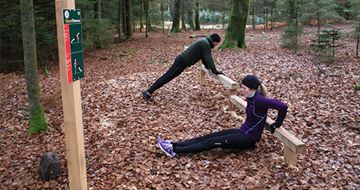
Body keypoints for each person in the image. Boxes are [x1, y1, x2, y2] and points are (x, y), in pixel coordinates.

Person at [157, 75, 288, 157]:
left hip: (248, 138)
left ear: (252, 88)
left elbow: (283, 106)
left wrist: (277, 123)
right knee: (209, 136)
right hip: (242, 131)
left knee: (211, 143)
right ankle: (173, 144)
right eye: (242, 87)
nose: (242, 90)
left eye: (244, 88)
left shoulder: (260, 100)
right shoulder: (251, 97)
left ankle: (175, 151)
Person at [142, 33, 224, 101]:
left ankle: (149, 91)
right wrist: (215, 71)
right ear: (214, 41)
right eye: (217, 43)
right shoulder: (206, 44)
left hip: (182, 61)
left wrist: (208, 68)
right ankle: (148, 92)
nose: (216, 45)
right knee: (167, 77)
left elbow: (204, 58)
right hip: (181, 62)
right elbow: (208, 58)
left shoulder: (204, 42)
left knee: (167, 77)